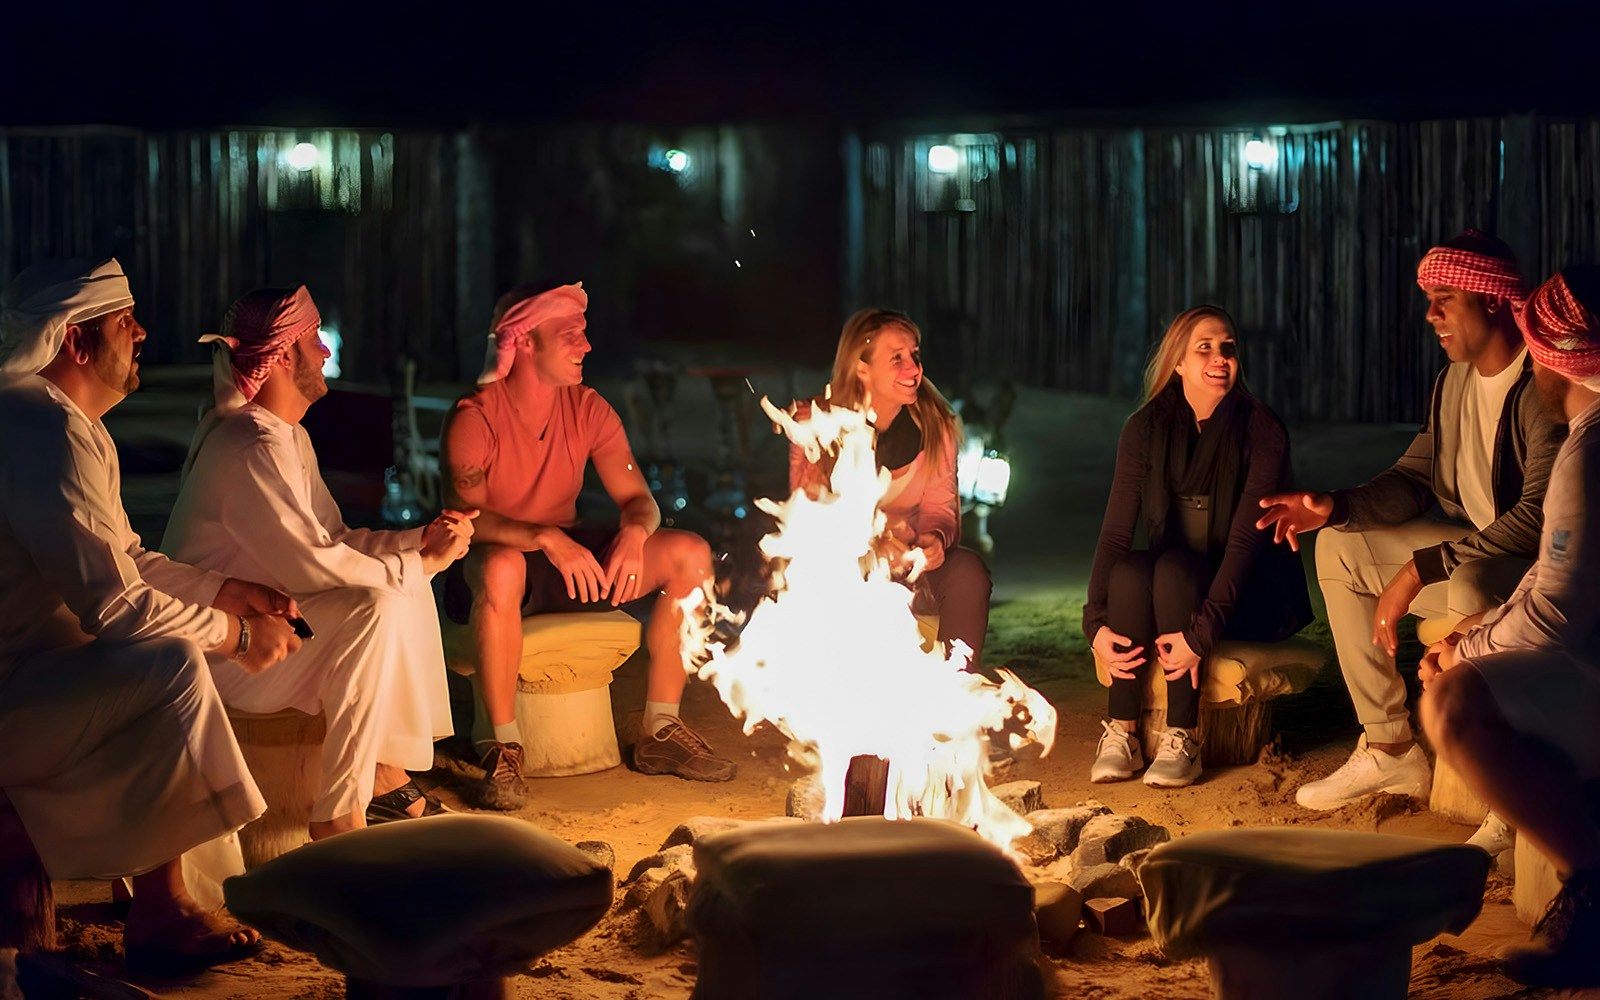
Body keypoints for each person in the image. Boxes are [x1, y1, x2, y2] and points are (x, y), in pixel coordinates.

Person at [0, 258, 301, 970]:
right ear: (75, 342)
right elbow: (111, 604)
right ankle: (165, 911)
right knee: (167, 665)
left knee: (161, 661)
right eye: (123, 322)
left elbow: (126, 556)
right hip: (15, 696)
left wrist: (227, 592)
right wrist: (236, 637)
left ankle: (164, 901)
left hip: (40, 683)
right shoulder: (44, 432)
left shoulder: (59, 424)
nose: (142, 333)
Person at [1260, 230, 1564, 824]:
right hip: (1474, 556)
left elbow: (1538, 517)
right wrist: (1334, 506)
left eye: (1445, 296)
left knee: (1475, 583)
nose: (1431, 314)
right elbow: (1416, 477)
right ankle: (1390, 747)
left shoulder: (1542, 384)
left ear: (1495, 300)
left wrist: (1421, 568)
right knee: (1341, 548)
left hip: (1535, 575)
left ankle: (1509, 798)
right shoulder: (1453, 382)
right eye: (1428, 298)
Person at [163, 286, 474, 838]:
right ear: (282, 356)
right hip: (226, 650)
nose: (326, 352)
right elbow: (315, 564)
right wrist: (421, 564)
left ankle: (382, 777)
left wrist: (414, 543)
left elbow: (335, 539)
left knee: (394, 591)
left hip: (273, 627)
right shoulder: (248, 447)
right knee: (375, 607)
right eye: (314, 341)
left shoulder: (287, 437)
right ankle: (342, 811)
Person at [441, 281, 734, 809]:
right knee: (504, 565)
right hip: (491, 569)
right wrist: (544, 537)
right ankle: (501, 746)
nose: (586, 346)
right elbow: (467, 520)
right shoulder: (475, 415)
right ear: (526, 342)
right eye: (571, 334)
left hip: (567, 563)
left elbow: (640, 499)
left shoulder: (588, 408)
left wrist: (633, 532)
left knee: (689, 553)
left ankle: (660, 730)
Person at [1420, 266, 1600, 987]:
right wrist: (1480, 628)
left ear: (1554, 363)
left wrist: (1466, 651)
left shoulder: (1587, 454)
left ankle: (1589, 882)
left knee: (1452, 702)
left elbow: (1558, 611)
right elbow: (1555, 577)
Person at [1084, 305, 1312, 788]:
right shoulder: (1145, 429)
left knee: (1173, 572)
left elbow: (1246, 543)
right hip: (1177, 581)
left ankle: (1182, 735)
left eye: (1227, 348)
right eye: (1204, 348)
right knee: (1130, 571)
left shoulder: (1262, 430)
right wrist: (1094, 624)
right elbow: (1115, 533)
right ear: (1179, 363)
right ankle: (1122, 732)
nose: (1219, 357)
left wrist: (1200, 635)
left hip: (1253, 592)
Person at [788, 307, 992, 666]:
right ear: (861, 367)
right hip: (842, 574)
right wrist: (873, 546)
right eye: (897, 358)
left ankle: (956, 695)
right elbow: (808, 519)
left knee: (968, 573)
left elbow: (941, 512)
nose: (914, 369)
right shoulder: (816, 422)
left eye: (914, 354)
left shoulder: (935, 426)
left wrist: (934, 542)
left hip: (912, 572)